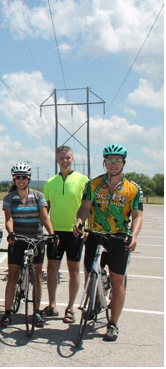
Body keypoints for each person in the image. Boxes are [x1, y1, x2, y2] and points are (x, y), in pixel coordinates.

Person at [73, 143, 143, 342]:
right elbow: (85, 206)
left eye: (117, 161)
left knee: (117, 281)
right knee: (89, 273)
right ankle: (94, 302)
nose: (113, 164)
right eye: (110, 160)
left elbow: (137, 215)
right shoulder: (93, 184)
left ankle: (113, 324)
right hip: (95, 235)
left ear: (123, 163)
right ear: (104, 162)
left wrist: (135, 235)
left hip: (119, 237)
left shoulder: (133, 188)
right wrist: (79, 221)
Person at [0, 163, 58, 328]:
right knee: (12, 275)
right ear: (14, 178)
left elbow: (45, 218)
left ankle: (37, 311)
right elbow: (9, 218)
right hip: (17, 239)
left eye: (24, 177)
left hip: (36, 238)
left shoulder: (38, 196)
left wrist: (52, 233)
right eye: (18, 177)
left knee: (37, 276)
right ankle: (7, 312)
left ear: (28, 179)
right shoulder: (9, 198)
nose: (21, 180)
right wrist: (11, 233)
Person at [41, 146, 89, 323]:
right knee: (52, 269)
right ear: (56, 160)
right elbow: (45, 209)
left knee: (73, 271)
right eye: (61, 158)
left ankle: (70, 308)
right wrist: (48, 230)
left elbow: (88, 206)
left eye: (68, 157)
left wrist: (87, 227)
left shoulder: (83, 180)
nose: (65, 160)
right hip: (55, 232)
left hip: (75, 231)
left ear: (73, 159)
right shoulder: (50, 182)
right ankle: (52, 305)